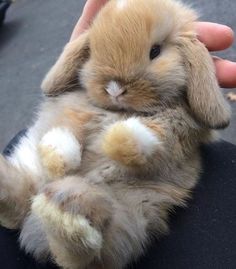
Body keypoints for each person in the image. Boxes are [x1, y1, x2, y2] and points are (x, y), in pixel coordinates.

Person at [0, 1, 236, 268]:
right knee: (50, 125)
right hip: (56, 164)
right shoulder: (89, 89)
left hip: (130, 188)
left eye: (154, 52)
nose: (115, 89)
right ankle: (15, 193)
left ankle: (76, 240)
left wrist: (143, 142)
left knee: (125, 210)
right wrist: (66, 136)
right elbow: (54, 95)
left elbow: (199, 125)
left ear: (185, 50)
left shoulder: (178, 110)